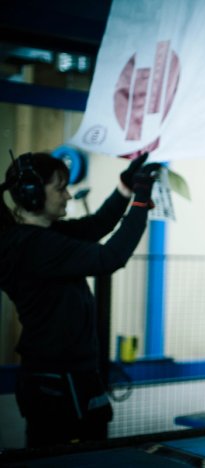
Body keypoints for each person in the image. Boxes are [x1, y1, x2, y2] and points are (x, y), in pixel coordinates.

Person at [0, 150, 161, 448]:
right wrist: (141, 202)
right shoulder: (32, 246)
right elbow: (110, 257)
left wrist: (125, 187)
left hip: (72, 374)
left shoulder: (44, 235)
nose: (68, 196)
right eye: (60, 188)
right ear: (33, 194)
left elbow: (96, 225)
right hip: (57, 380)